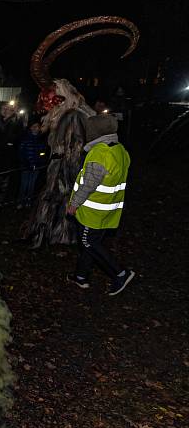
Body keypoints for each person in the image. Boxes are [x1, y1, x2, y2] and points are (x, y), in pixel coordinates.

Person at [66, 115, 135, 295]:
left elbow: (89, 184)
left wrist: (73, 204)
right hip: (108, 209)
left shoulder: (100, 153)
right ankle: (80, 277)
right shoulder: (120, 150)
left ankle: (120, 273)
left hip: (93, 211)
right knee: (90, 243)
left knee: (88, 242)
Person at [17, 121, 47, 208]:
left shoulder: (40, 140)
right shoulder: (25, 139)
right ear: (30, 128)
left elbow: (42, 153)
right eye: (33, 126)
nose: (35, 128)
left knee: (31, 185)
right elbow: (21, 152)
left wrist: (39, 161)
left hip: (36, 166)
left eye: (37, 126)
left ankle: (28, 201)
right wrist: (26, 162)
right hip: (26, 166)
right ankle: (20, 201)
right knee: (24, 184)